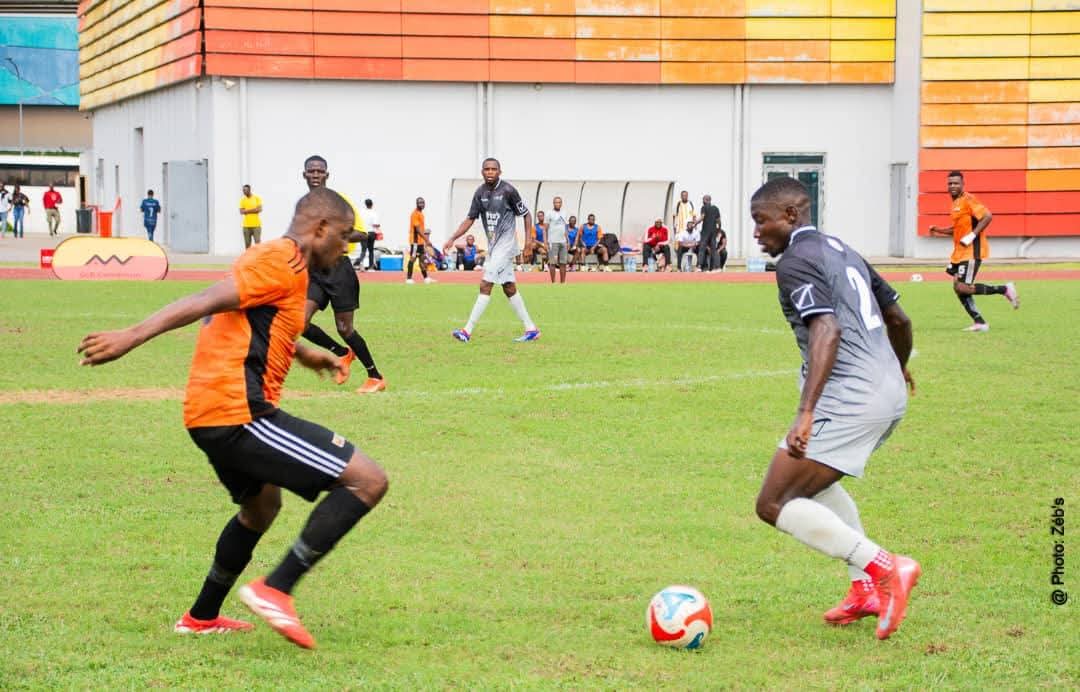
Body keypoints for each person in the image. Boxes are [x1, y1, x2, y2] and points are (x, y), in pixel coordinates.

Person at [77, 186, 389, 650]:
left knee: (261, 508)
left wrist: (305, 354)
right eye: (343, 236)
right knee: (367, 480)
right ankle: (275, 589)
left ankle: (201, 617)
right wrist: (132, 335)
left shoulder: (279, 261)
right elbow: (207, 299)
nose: (345, 248)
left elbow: (254, 316)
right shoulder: (281, 262)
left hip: (209, 411)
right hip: (238, 412)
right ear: (320, 227)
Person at [750, 176, 920, 642]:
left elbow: (826, 329)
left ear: (790, 216)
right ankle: (864, 589)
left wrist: (806, 413)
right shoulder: (842, 250)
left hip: (852, 396)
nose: (757, 232)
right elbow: (899, 318)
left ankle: (886, 568)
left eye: (761, 221)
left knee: (773, 503)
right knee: (814, 482)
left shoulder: (795, 261)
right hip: (886, 391)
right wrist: (899, 367)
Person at [299, 155, 386, 393]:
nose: (315, 175)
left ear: (327, 175)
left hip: (339, 270)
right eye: (311, 171)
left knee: (345, 329)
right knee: (299, 322)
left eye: (320, 171)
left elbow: (362, 234)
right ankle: (342, 353)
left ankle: (375, 377)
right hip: (316, 271)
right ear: (304, 175)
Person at [442, 157, 540, 343]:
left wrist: (528, 243)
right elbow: (470, 219)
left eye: (493, 169)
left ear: (499, 172)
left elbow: (526, 214)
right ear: (482, 172)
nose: (490, 172)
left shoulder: (508, 191)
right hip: (494, 247)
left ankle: (466, 331)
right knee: (509, 287)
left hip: (506, 246)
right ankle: (531, 329)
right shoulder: (480, 193)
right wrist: (453, 238)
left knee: (485, 284)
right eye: (486, 169)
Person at [928, 171, 1019, 331]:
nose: (952, 186)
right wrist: (939, 230)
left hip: (972, 250)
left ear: (963, 184)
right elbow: (957, 229)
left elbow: (987, 216)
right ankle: (980, 322)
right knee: (958, 287)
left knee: (962, 287)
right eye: (950, 183)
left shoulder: (968, 199)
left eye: (956, 183)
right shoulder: (955, 204)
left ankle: (1004, 289)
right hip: (959, 252)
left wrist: (972, 235)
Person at [406, 197, 434, 284]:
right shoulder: (414, 214)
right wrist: (427, 240)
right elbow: (417, 229)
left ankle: (426, 278)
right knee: (413, 258)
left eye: (423, 203)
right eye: (420, 203)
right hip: (415, 241)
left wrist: (424, 240)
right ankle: (409, 279)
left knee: (422, 259)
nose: (421, 204)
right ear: (416, 204)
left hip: (420, 241)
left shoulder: (421, 213)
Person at [545, 196, 570, 284]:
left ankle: (563, 282)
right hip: (553, 241)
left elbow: (565, 228)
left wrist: (568, 240)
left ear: (561, 204)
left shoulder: (564, 213)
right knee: (553, 262)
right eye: (556, 202)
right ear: (553, 203)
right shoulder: (549, 213)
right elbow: (545, 229)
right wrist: (546, 242)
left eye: (559, 202)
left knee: (563, 262)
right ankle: (553, 282)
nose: (557, 204)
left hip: (563, 241)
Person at [695, 194, 721, 272]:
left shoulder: (704, 207)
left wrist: (695, 223)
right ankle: (717, 267)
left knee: (702, 249)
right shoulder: (716, 208)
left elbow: (702, 217)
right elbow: (718, 221)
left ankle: (699, 266)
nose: (702, 201)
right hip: (713, 231)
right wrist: (719, 229)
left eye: (703, 200)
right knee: (714, 249)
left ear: (705, 200)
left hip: (705, 231)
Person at [355, 198, 379, 270]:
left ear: (365, 204)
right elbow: (376, 224)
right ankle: (371, 267)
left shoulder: (361, 212)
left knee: (363, 250)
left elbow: (358, 221)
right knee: (371, 250)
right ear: (372, 204)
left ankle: (360, 262)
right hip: (371, 233)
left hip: (363, 233)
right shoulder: (374, 213)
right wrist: (377, 226)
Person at [239, 184, 263, 248]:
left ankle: (258, 255)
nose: (244, 192)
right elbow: (241, 212)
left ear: (249, 190)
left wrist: (246, 211)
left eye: (245, 190)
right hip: (246, 226)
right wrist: (254, 209)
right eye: (243, 190)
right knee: (247, 244)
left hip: (256, 225)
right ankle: (249, 255)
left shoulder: (256, 198)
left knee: (258, 243)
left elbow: (259, 209)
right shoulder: (242, 200)